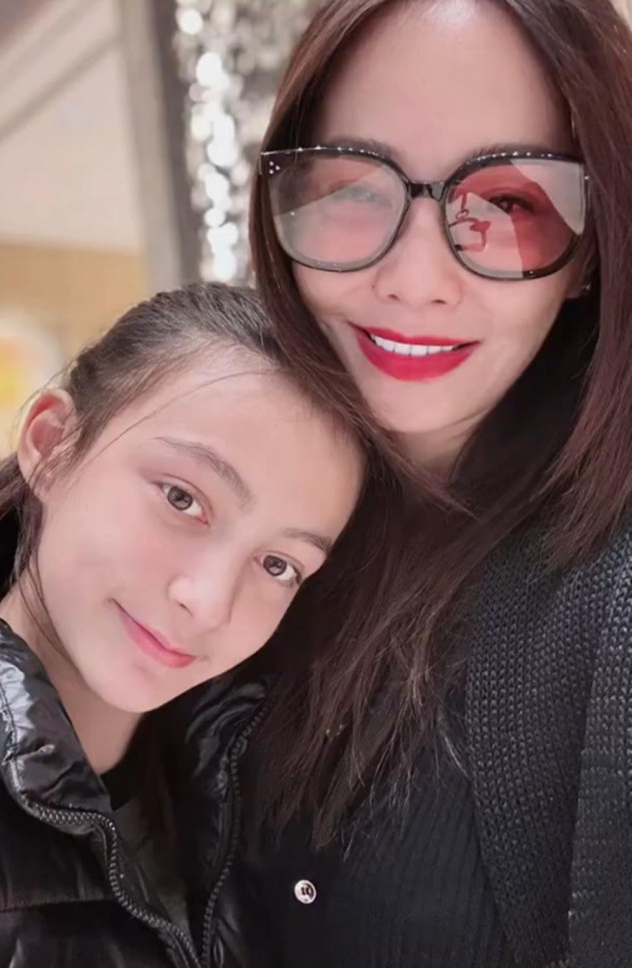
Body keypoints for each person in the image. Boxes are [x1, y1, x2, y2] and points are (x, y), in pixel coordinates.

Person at [164, 2, 632, 968]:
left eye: (510, 204)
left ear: (590, 250)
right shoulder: (192, 485)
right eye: (353, 186)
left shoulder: (608, 603)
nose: (415, 279)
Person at [0, 283, 372, 968]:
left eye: (279, 565)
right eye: (182, 498)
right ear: (52, 444)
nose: (208, 602)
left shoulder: (262, 802)